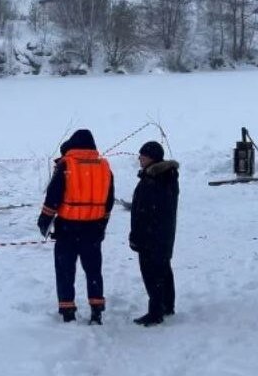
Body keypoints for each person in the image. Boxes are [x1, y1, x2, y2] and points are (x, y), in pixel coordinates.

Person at [37, 129, 115, 324]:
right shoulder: (105, 167)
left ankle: (67, 311)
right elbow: (109, 201)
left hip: (67, 230)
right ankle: (97, 309)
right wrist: (102, 225)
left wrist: (44, 221)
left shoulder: (66, 165)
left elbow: (53, 198)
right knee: (94, 271)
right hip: (93, 230)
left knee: (65, 272)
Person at [129, 141, 179, 326]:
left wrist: (138, 235)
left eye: (142, 155)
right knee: (163, 269)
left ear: (151, 157)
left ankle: (156, 311)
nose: (139, 158)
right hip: (162, 234)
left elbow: (147, 210)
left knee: (152, 273)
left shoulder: (155, 179)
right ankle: (167, 305)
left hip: (151, 236)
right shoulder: (164, 176)